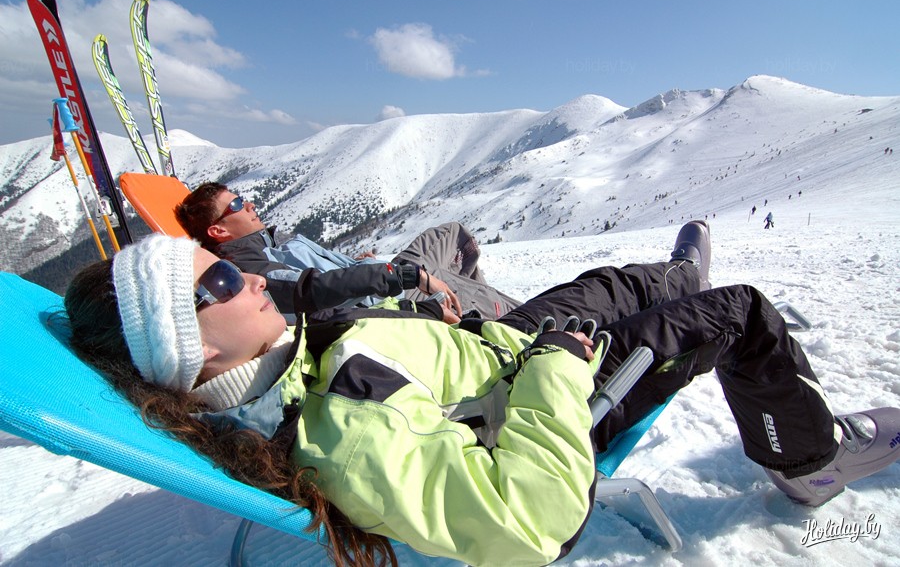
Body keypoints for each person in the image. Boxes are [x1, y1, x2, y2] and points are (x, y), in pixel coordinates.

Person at [63, 222, 900, 566]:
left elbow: (388, 364)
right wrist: (558, 366)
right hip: (548, 389)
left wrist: (422, 316)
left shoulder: (284, 357)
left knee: (613, 282)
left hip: (495, 352)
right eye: (220, 282)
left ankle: (674, 276)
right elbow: (531, 521)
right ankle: (810, 460)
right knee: (738, 312)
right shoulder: (346, 425)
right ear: (191, 348)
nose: (250, 278)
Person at [174, 182, 521, 319]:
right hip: (387, 295)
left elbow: (321, 274)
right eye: (236, 204)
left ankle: (477, 302)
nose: (249, 204)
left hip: (376, 281)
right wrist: (403, 275)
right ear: (218, 230)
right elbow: (311, 289)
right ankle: (505, 316)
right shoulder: (250, 267)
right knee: (441, 272)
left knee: (453, 237)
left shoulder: (267, 244)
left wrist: (355, 264)